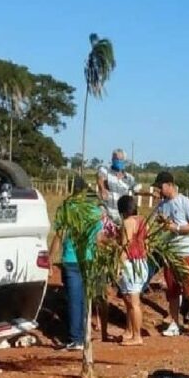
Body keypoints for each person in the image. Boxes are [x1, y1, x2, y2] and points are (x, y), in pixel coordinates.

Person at [51, 175, 103, 351]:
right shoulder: (94, 210)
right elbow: (99, 238)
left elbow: (59, 236)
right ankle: (84, 335)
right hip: (89, 259)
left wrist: (50, 260)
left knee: (74, 300)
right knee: (84, 299)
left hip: (71, 260)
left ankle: (76, 338)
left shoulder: (67, 208)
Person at [153, 171, 189, 337]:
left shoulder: (185, 202)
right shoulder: (161, 206)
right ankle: (175, 323)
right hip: (169, 252)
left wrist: (177, 228)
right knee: (172, 290)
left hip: (184, 251)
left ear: (168, 185)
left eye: (160, 187)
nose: (159, 191)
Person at [117, 195, 149, 346]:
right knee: (129, 300)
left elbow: (125, 246)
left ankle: (137, 336)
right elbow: (146, 242)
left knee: (133, 301)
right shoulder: (143, 221)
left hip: (131, 263)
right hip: (141, 261)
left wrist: (119, 265)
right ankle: (130, 331)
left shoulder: (127, 223)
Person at [97, 148, 139, 222]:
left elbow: (137, 189)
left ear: (124, 161)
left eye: (120, 159)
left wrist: (150, 194)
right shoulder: (105, 171)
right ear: (112, 159)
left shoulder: (129, 178)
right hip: (106, 212)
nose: (118, 161)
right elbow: (100, 179)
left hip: (120, 214)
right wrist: (103, 189)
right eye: (116, 159)